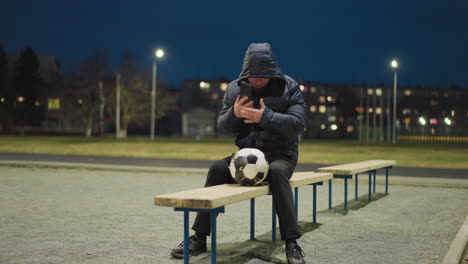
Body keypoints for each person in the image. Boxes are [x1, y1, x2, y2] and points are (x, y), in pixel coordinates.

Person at [171, 43, 308, 264]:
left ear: (272, 72)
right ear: (246, 72)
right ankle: (199, 237)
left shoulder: (289, 87)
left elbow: (299, 124)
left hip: (281, 155)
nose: (257, 80)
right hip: (246, 158)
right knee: (216, 167)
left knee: (276, 172)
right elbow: (222, 127)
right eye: (252, 76)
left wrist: (266, 117)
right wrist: (234, 114)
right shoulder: (235, 89)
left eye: (262, 76)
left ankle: (292, 243)